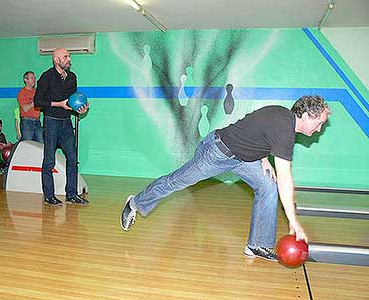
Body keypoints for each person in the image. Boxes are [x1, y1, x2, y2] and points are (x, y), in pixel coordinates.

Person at [121, 95, 330, 261]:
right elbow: (286, 179)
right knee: (176, 182)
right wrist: (293, 221)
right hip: (217, 153)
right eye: (319, 123)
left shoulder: (282, 117)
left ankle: (257, 244)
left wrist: (264, 157)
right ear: (306, 116)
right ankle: (135, 203)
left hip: (244, 158)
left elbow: (255, 126)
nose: (319, 128)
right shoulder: (284, 126)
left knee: (268, 186)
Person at [34, 48, 89, 206]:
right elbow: (38, 102)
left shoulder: (72, 77)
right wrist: (59, 104)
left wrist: (80, 109)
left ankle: (71, 194)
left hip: (66, 122)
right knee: (49, 160)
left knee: (72, 159)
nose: (69, 59)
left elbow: (71, 102)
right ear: (56, 60)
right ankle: (49, 196)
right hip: (51, 121)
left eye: (69, 56)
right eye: (65, 56)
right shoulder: (46, 77)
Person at [17, 71, 43, 143]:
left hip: (38, 122)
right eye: (32, 78)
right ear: (25, 80)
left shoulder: (37, 91)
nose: (34, 80)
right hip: (27, 122)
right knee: (27, 145)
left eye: (35, 78)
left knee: (41, 145)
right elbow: (25, 109)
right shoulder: (21, 93)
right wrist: (36, 101)